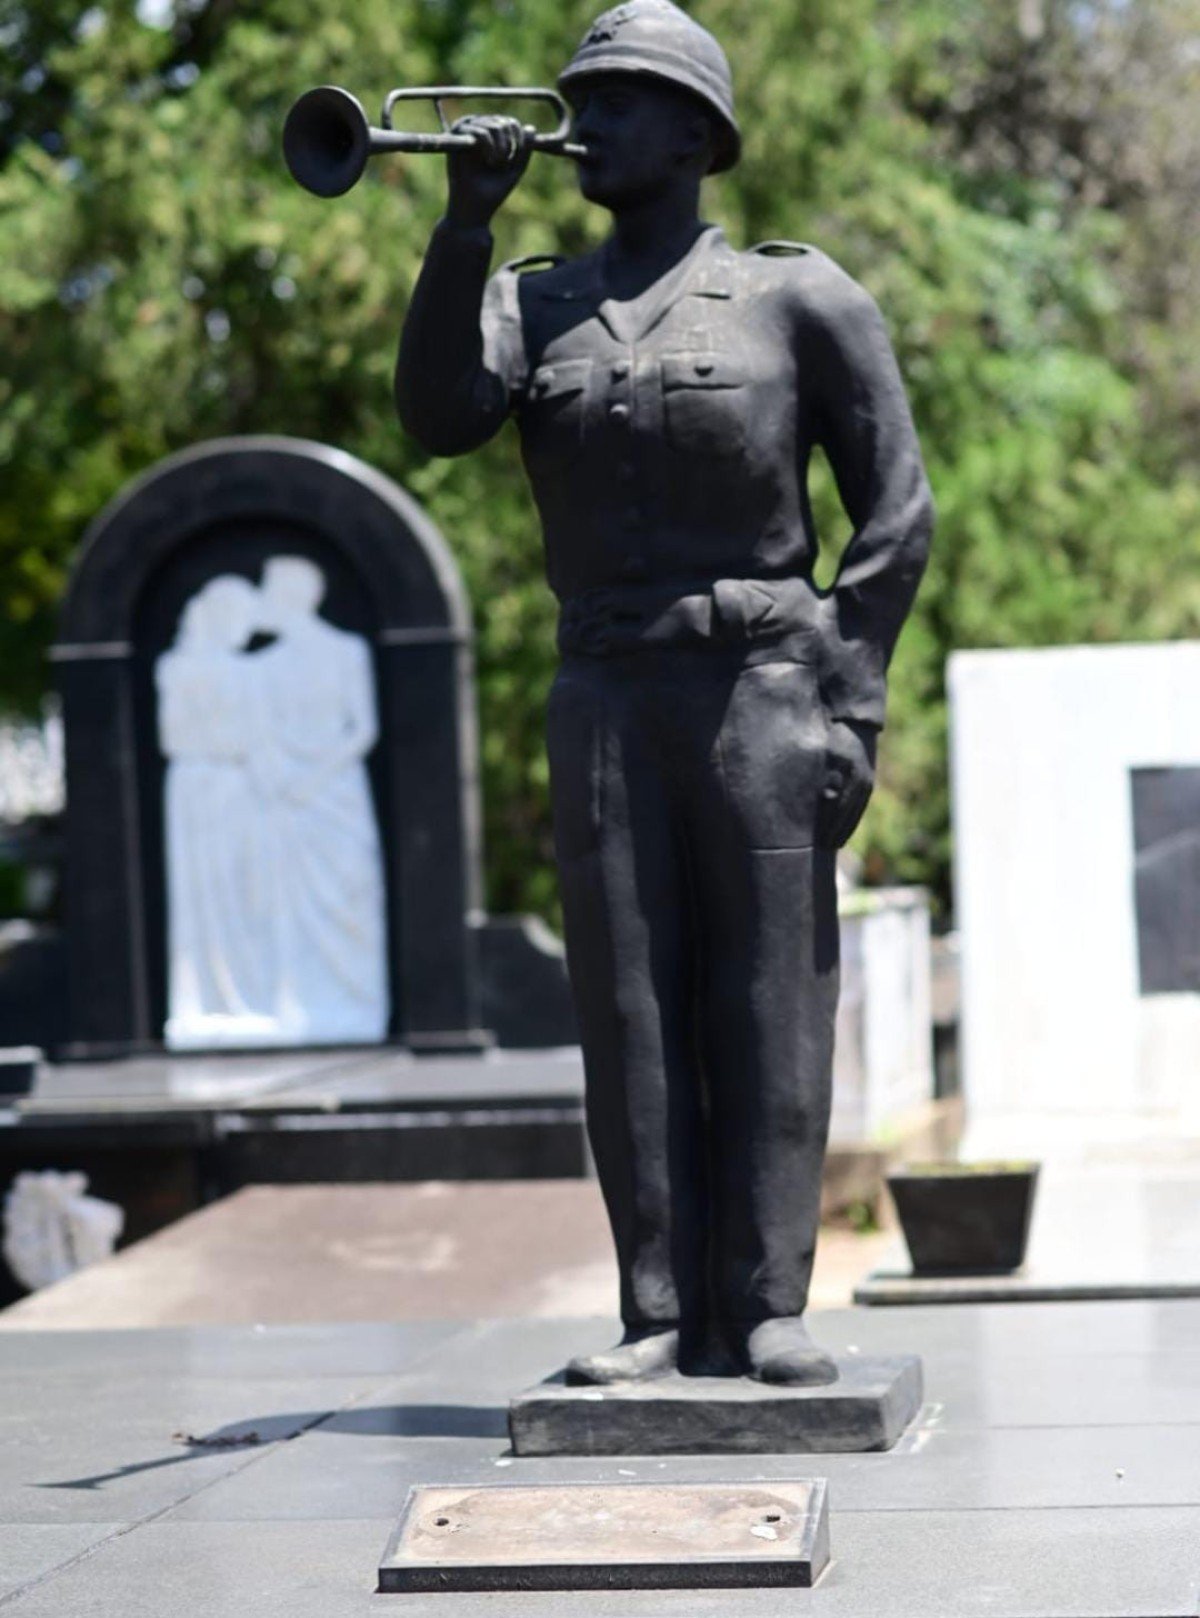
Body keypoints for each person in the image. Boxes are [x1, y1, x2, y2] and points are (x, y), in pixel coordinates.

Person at [396, 0, 933, 1384]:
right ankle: (651, 1313)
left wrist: (848, 703)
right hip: (605, 688)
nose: (590, 118)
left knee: (768, 997)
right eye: (587, 93)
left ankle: (768, 1305)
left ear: (698, 134)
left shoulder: (796, 296)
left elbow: (896, 517)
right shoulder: (532, 298)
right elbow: (438, 414)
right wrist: (464, 226)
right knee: (626, 1005)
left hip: (761, 684)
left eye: (623, 98)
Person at [252, 556, 389, 1045]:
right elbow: (257, 735)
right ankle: (296, 1005)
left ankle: (353, 1003)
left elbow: (364, 728)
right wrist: (284, 779)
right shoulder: (262, 666)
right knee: (285, 905)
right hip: (286, 798)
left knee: (348, 897)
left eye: (268, 589)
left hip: (335, 794)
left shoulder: (346, 651)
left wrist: (315, 776)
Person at [157, 574, 276, 1047]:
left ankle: (252, 997)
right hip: (198, 788)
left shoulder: (246, 671)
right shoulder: (176, 667)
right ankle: (205, 1000)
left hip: (239, 790)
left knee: (248, 895)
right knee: (204, 894)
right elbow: (175, 736)